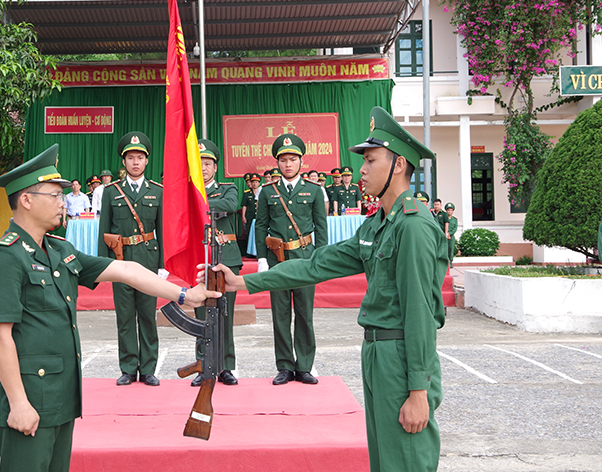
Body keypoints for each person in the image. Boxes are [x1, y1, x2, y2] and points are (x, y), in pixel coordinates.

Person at [206, 106, 446, 472]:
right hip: (377, 352)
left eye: (370, 160)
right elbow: (316, 265)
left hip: (401, 355)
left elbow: (420, 313)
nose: (361, 170)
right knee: (385, 459)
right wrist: (245, 281)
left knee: (407, 460)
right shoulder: (379, 223)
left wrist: (418, 390)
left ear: (398, 165)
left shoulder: (412, 226)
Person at [0, 144, 217, 472]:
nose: (63, 201)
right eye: (54, 195)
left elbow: (126, 270)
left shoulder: (58, 250)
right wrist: (19, 403)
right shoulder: (7, 258)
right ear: (26, 200)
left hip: (61, 399)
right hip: (30, 399)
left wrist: (184, 294)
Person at [255, 134, 328, 386]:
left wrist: (321, 258)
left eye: (293, 159)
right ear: (277, 163)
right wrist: (262, 260)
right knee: (281, 314)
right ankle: (285, 366)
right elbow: (261, 226)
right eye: (284, 160)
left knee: (305, 313)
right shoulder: (266, 192)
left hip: (306, 258)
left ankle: (305, 365)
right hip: (277, 259)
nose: (288, 164)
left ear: (301, 162)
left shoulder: (314, 190)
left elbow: (321, 227)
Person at [98, 131, 167, 387]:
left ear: (147, 161)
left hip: (148, 259)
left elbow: (164, 230)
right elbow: (104, 229)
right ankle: (128, 367)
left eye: (140, 158)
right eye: (131, 158)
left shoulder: (157, 191)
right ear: (123, 162)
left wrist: (162, 265)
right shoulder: (110, 192)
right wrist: (104, 265)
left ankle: (148, 368)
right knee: (125, 316)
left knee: (148, 315)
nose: (136, 162)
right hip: (121, 261)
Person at [189, 140, 243, 387]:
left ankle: (226, 367)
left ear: (215, 167)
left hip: (226, 259)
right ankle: (204, 365)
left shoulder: (229, 188)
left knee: (225, 314)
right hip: (199, 259)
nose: (203, 168)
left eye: (208, 164)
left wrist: (198, 205)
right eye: (199, 164)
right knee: (201, 316)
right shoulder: (187, 192)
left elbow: (230, 205)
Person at [444, 202, 458, 267]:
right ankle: (445, 262)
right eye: (448, 210)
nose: (449, 211)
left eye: (451, 210)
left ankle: (450, 262)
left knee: (450, 249)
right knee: (445, 249)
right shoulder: (444, 218)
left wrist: (449, 233)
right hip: (444, 236)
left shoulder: (454, 220)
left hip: (451, 237)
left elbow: (455, 228)